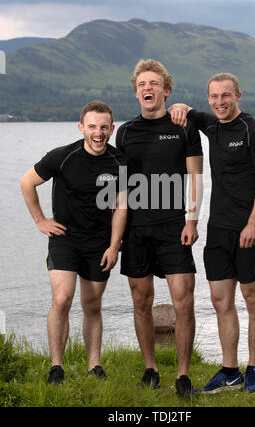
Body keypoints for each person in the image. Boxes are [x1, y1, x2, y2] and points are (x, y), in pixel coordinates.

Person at [169, 73, 255, 393]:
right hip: (218, 231)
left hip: (250, 230)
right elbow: (186, 110)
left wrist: (254, 223)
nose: (219, 102)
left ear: (238, 96)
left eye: (226, 96)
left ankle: (253, 370)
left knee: (253, 300)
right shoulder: (211, 124)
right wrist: (179, 106)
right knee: (220, 300)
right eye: (213, 96)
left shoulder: (254, 130)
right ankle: (230, 370)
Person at [20, 101, 127, 384]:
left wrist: (115, 245)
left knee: (92, 304)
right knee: (61, 298)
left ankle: (95, 365)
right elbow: (26, 183)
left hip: (100, 243)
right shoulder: (62, 156)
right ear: (81, 128)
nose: (98, 132)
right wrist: (41, 220)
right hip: (64, 240)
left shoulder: (120, 162)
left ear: (111, 129)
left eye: (104, 127)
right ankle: (57, 366)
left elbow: (121, 207)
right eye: (92, 126)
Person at [116, 59, 203, 398]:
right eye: (141, 84)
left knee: (184, 302)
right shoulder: (124, 132)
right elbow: (119, 189)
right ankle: (150, 369)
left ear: (166, 90)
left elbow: (196, 177)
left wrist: (192, 220)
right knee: (141, 301)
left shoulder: (183, 126)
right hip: (136, 229)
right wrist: (116, 233)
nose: (147, 88)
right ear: (136, 91)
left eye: (154, 84)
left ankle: (183, 375)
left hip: (174, 226)